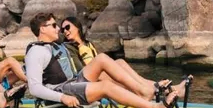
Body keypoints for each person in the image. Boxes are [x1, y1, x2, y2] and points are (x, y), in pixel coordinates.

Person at [24, 12, 178, 108]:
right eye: (53, 25)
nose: (58, 29)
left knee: (102, 58)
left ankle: (143, 92)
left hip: (71, 83)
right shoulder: (36, 52)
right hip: (60, 91)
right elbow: (35, 88)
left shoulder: (54, 46)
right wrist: (62, 98)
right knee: (106, 86)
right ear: (42, 29)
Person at [60, 15, 191, 99]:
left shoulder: (88, 44)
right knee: (115, 71)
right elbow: (78, 69)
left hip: (98, 76)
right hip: (86, 81)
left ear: (77, 27)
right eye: (62, 30)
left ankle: (158, 88)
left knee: (121, 62)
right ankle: (159, 90)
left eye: (67, 27)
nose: (65, 31)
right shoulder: (69, 47)